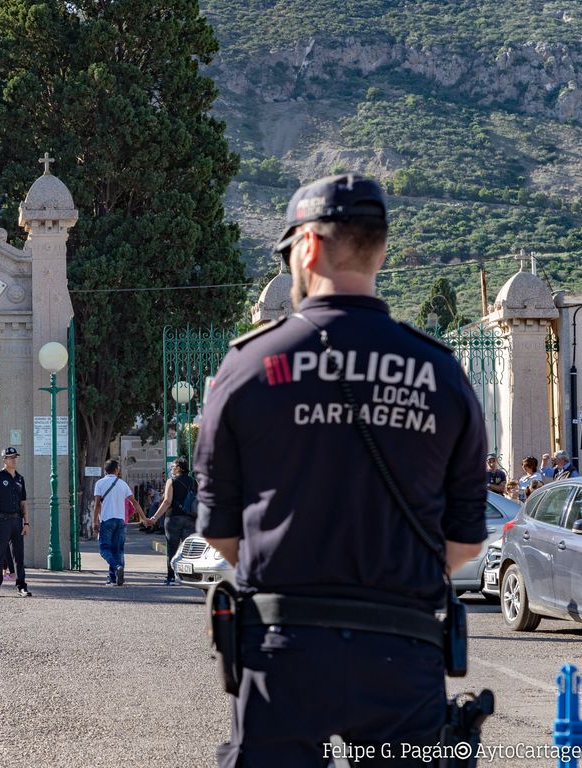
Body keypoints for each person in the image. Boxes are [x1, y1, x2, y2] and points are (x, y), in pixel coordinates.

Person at [193, 174, 487, 765]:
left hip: (281, 655)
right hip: (404, 654)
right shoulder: (440, 372)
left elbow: (221, 534)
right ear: (378, 249)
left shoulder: (249, 367)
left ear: (308, 247)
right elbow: (463, 544)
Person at [0, 447, 31, 598]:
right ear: (4, 460)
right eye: (10, 457)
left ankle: (21, 586)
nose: (14, 460)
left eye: (15, 457)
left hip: (17, 520)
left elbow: (23, 503)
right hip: (2, 520)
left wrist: (26, 523)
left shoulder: (20, 478)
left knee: (19, 555)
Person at [92, 460, 144, 586]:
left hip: (107, 519)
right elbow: (134, 502)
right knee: (118, 550)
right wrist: (144, 517)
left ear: (105, 470)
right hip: (121, 520)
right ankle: (114, 577)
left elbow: (97, 504)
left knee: (104, 548)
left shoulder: (100, 483)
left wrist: (94, 521)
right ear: (117, 470)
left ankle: (116, 568)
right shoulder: (123, 484)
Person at [147, 457, 198, 585]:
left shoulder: (171, 481)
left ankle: (171, 577)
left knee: (172, 548)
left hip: (173, 518)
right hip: (190, 519)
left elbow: (167, 501)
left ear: (179, 468)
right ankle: (189, 577)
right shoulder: (194, 482)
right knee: (188, 550)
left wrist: (155, 517)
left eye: (173, 466)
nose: (171, 469)